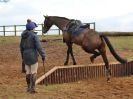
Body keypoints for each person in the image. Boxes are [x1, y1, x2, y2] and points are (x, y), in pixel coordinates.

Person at [20, 19, 45, 93]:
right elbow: (39, 47)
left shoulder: (23, 36)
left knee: (28, 72)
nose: (35, 28)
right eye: (34, 27)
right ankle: (33, 89)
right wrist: (43, 55)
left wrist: (23, 56)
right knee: (34, 72)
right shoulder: (34, 36)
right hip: (33, 56)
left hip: (25, 55)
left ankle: (28, 88)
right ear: (32, 28)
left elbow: (21, 47)